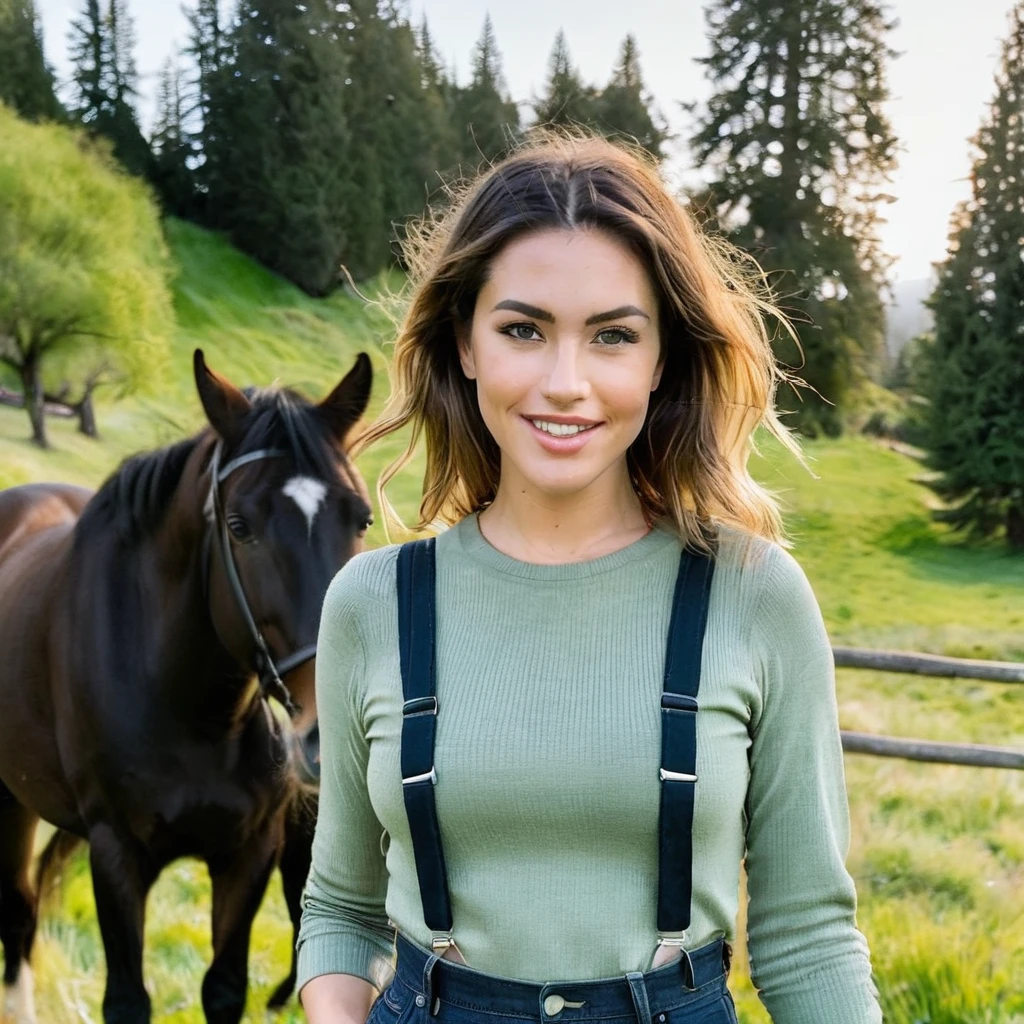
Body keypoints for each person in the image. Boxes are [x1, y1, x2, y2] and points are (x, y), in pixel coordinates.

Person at [296, 130, 882, 1024]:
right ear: (466, 344)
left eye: (612, 336)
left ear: (660, 362)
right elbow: (341, 908)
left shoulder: (754, 596)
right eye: (523, 329)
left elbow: (807, 935)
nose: (565, 382)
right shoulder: (373, 604)